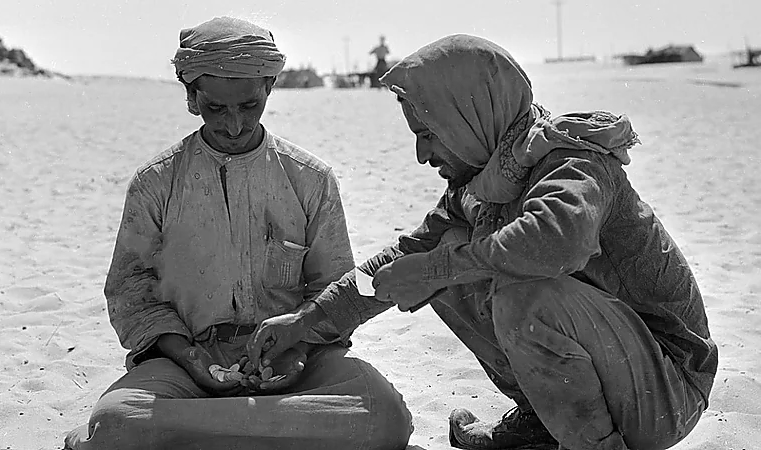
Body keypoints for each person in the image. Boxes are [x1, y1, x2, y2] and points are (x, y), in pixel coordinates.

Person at [248, 35, 717, 450]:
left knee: (517, 290)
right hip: (616, 378)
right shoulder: (482, 185)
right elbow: (403, 259)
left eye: (428, 134)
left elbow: (555, 241)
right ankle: (545, 419)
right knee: (446, 254)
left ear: (469, 117)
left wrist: (436, 269)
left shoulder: (573, 159)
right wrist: (306, 322)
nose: (421, 154)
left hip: (667, 393)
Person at [63, 17, 412, 450]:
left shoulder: (311, 179)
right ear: (191, 98)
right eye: (216, 109)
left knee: (385, 415)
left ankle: (204, 433)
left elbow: (331, 289)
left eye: (249, 106)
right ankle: (273, 429)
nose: (234, 125)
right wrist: (191, 358)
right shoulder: (155, 183)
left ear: (269, 89)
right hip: (186, 362)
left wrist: (297, 349)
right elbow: (130, 293)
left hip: (296, 360)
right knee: (119, 421)